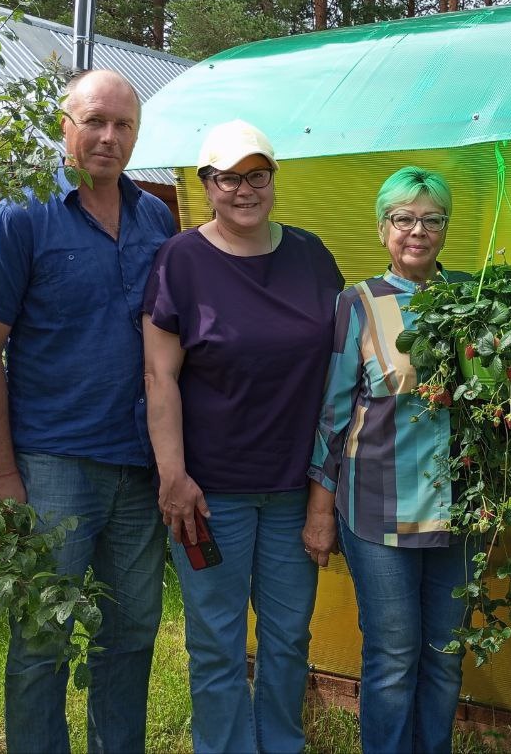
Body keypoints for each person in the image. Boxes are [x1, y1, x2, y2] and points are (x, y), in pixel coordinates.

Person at [0, 68, 175, 754]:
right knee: (41, 639)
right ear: (65, 127)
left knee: (133, 630)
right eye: (95, 122)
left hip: (138, 467)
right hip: (52, 465)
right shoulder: (21, 216)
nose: (108, 138)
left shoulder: (156, 218)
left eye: (123, 126)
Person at [303, 166, 511, 754]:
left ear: (445, 228)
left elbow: (506, 403)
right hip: (377, 511)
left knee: (445, 654)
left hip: (461, 510)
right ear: (382, 227)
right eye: (403, 218)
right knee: (392, 657)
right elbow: (333, 414)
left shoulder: (475, 300)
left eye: (430, 219)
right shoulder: (358, 303)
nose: (417, 230)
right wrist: (320, 508)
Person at [142, 119, 343, 754]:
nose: (245, 190)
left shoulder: (310, 255)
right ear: (206, 184)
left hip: (294, 490)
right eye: (229, 177)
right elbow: (159, 374)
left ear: (273, 181)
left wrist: (325, 493)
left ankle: (281, 744)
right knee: (217, 642)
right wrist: (173, 476)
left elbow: (342, 375)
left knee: (287, 639)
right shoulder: (181, 260)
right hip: (210, 494)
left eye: (257, 176)